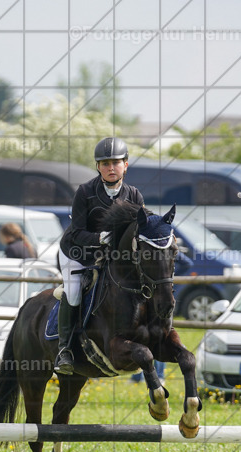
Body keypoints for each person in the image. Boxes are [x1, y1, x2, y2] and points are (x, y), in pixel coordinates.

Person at [55, 137, 147, 375]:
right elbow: (76, 232)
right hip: (77, 252)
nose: (111, 167)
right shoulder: (85, 192)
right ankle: (64, 350)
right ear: (98, 167)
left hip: (110, 256)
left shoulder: (134, 195)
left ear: (125, 165)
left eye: (116, 162)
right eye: (105, 163)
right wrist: (99, 239)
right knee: (74, 292)